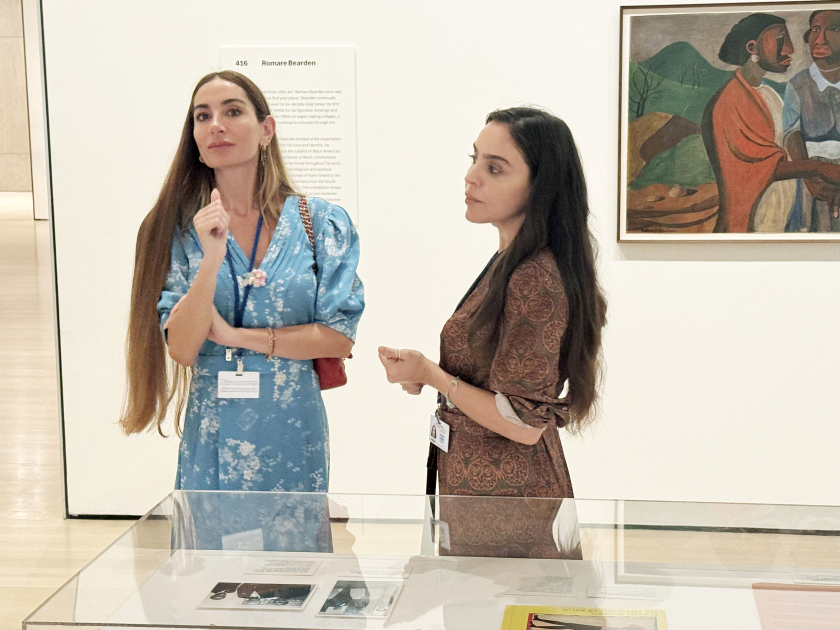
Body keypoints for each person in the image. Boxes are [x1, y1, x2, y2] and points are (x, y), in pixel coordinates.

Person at [120, 70, 364, 493]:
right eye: (202, 116)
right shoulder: (178, 231)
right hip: (214, 431)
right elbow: (182, 348)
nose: (215, 125)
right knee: (212, 537)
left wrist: (235, 336)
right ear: (195, 139)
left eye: (232, 111)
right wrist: (211, 259)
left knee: (295, 538)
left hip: (294, 431)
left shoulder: (321, 223)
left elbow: (338, 338)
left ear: (266, 129)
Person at [378, 107, 606, 558]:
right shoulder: (512, 261)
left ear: (540, 186)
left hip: (512, 506)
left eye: (494, 168)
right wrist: (426, 374)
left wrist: (433, 374)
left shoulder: (533, 277)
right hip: (485, 495)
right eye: (475, 159)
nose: (471, 177)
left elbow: (524, 423)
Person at [702, 13, 840, 233]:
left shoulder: (768, 93)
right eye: (780, 40)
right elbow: (763, 167)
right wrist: (819, 169)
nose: (790, 49)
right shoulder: (731, 100)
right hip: (751, 222)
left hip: (781, 217)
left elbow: (789, 145)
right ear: (752, 47)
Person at [783, 9, 840, 232]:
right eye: (815, 30)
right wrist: (809, 179)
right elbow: (791, 132)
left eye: (833, 29)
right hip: (814, 183)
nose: (820, 39)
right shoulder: (798, 85)